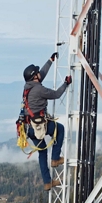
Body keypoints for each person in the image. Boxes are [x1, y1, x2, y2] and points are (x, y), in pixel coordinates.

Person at [21, 52, 72, 191]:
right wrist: (66, 83)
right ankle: (55, 158)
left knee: (42, 152)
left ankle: (47, 182)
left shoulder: (28, 87)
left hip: (29, 128)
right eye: (37, 73)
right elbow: (56, 94)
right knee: (59, 129)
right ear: (34, 76)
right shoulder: (39, 89)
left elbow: (41, 74)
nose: (39, 74)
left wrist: (50, 60)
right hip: (39, 125)